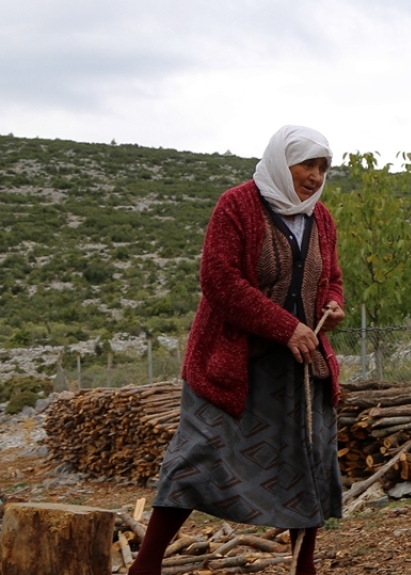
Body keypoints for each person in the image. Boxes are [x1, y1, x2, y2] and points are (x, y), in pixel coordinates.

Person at [129, 125, 346, 575]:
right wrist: (286, 325)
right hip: (232, 362)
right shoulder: (238, 205)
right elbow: (219, 280)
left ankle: (303, 567)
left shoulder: (320, 218)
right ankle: (145, 566)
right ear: (281, 162)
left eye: (323, 167)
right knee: (196, 455)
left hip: (298, 365)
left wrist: (333, 304)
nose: (315, 176)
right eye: (307, 163)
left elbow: (333, 278)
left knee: (306, 460)